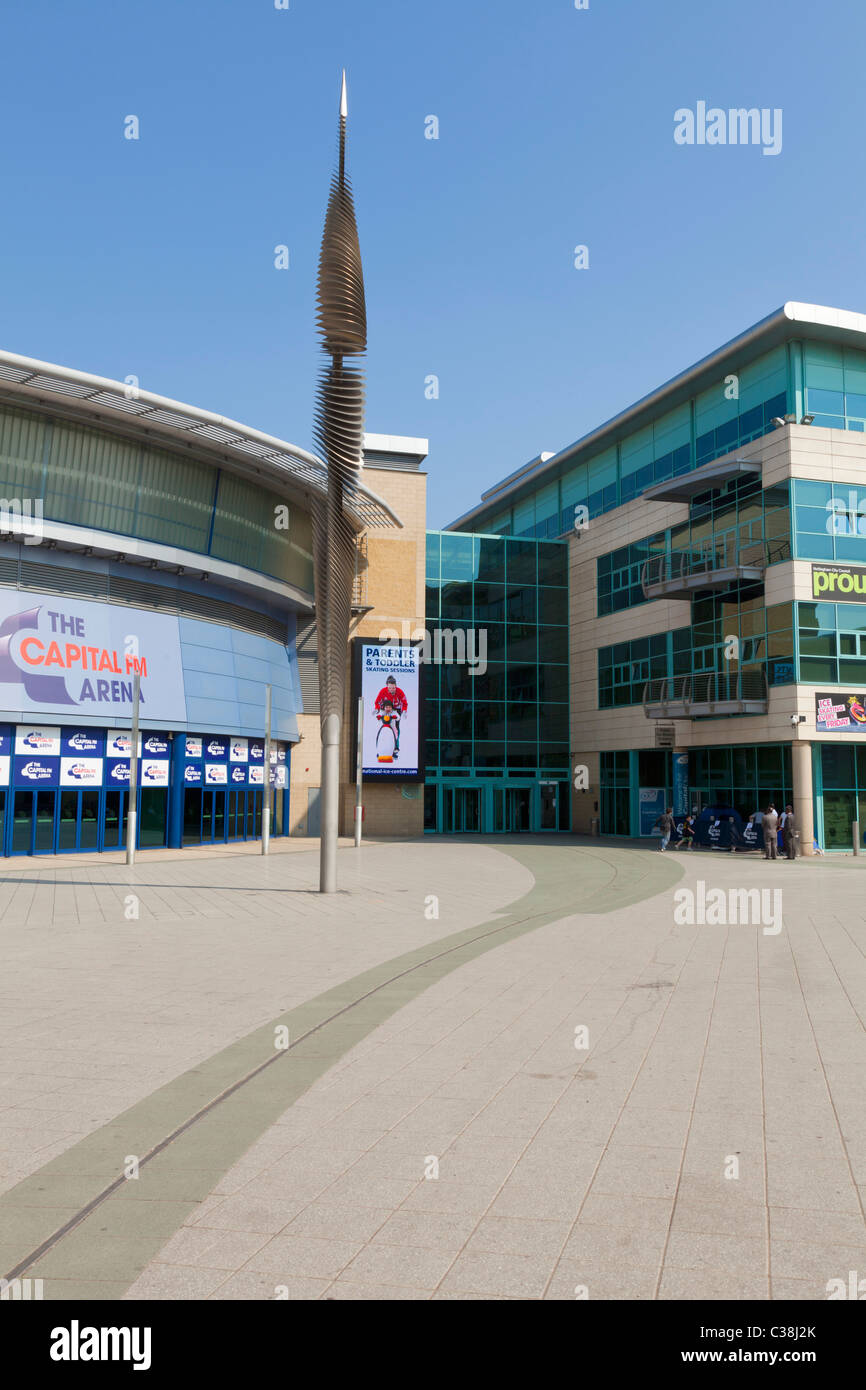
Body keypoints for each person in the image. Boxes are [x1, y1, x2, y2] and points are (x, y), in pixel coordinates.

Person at [374, 675, 408, 757]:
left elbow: (404, 702)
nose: (392, 690)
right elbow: (377, 701)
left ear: (395, 686)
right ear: (387, 686)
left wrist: (404, 711)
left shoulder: (400, 692)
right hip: (385, 709)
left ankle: (396, 746)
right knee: (381, 727)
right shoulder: (383, 691)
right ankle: (379, 747)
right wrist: (377, 709)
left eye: (393, 688)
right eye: (390, 688)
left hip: (396, 710)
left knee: (396, 729)